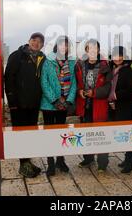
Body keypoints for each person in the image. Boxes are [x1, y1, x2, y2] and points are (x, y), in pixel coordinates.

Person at [4, 32, 46, 178]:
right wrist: (12, 102)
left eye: (39, 42)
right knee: (21, 135)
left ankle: (28, 162)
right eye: (34, 40)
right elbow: (8, 79)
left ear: (42, 45)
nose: (36, 43)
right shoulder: (17, 56)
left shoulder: (42, 58)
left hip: (34, 104)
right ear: (29, 40)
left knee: (30, 134)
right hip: (19, 104)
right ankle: (23, 165)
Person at [40, 35, 77, 176]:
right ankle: (50, 162)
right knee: (50, 134)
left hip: (64, 103)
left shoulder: (72, 62)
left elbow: (74, 82)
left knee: (62, 133)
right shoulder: (48, 61)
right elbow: (44, 82)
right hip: (49, 105)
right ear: (57, 46)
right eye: (61, 44)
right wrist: (54, 100)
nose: (64, 47)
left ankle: (60, 160)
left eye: (66, 45)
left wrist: (68, 101)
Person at [75, 39, 112, 173]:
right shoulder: (80, 65)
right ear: (86, 50)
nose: (92, 50)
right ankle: (88, 158)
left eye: (95, 48)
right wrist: (80, 91)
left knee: (101, 135)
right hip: (85, 106)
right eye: (89, 48)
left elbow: (108, 87)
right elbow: (77, 84)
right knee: (86, 134)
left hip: (99, 105)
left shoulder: (104, 66)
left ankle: (102, 162)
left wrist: (94, 93)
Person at [107, 46, 132, 174]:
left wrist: (116, 96)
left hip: (125, 107)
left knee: (128, 135)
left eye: (120, 56)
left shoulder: (127, 71)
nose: (117, 58)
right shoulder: (113, 70)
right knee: (123, 134)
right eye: (115, 56)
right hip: (115, 107)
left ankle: (130, 161)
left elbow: (131, 91)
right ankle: (127, 159)